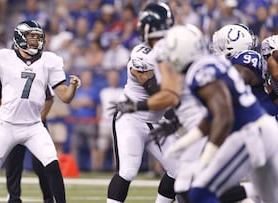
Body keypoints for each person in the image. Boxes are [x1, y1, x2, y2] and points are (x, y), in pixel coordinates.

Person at [0, 20, 80, 203]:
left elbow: (65, 97)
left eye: (38, 38)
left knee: (52, 166)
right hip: (8, 126)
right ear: (20, 38)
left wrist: (73, 87)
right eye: (31, 38)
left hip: (34, 126)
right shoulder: (4, 57)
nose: (36, 41)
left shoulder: (49, 60)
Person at [162, 24, 278, 203]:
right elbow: (214, 113)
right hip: (256, 130)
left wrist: (207, 157)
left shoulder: (209, 70)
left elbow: (224, 114)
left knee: (201, 190)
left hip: (252, 132)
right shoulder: (212, 66)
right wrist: (189, 139)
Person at [106, 2, 180, 203]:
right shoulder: (142, 55)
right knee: (128, 171)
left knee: (178, 171)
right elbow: (159, 93)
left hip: (157, 119)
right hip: (132, 118)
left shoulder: (173, 50)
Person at [0, 78, 54, 203]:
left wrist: (38, 121)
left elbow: (49, 99)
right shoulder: (5, 71)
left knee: (42, 164)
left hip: (34, 125)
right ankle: (14, 198)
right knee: (13, 164)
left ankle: (49, 198)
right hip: (13, 124)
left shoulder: (37, 69)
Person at [211, 23, 278, 118]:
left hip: (264, 119)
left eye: (220, 46)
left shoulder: (243, 60)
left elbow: (242, 75)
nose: (216, 50)